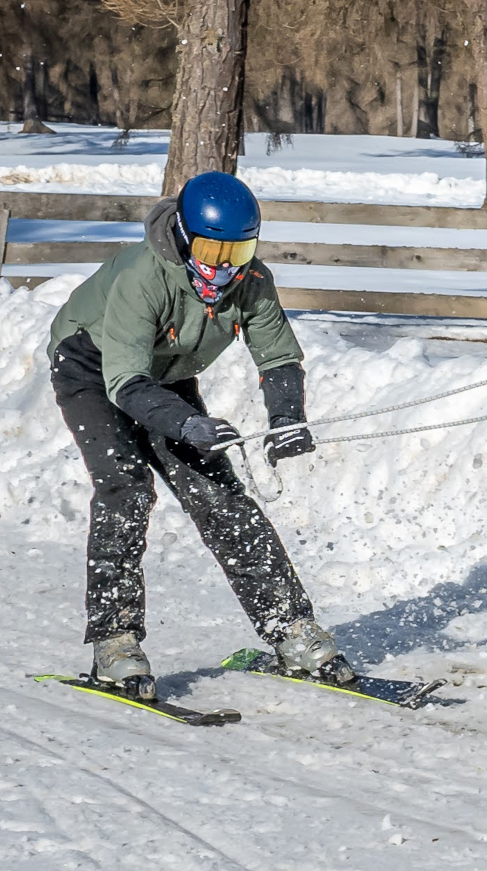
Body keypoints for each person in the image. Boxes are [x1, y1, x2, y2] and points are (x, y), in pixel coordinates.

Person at [46, 170, 350, 699]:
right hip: (95, 369)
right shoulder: (144, 277)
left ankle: (292, 629)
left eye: (239, 250)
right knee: (126, 487)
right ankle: (115, 642)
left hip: (164, 374)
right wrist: (185, 424)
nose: (224, 264)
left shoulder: (251, 282)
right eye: (212, 248)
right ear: (185, 236)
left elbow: (278, 356)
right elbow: (124, 380)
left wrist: (286, 418)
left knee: (222, 498)